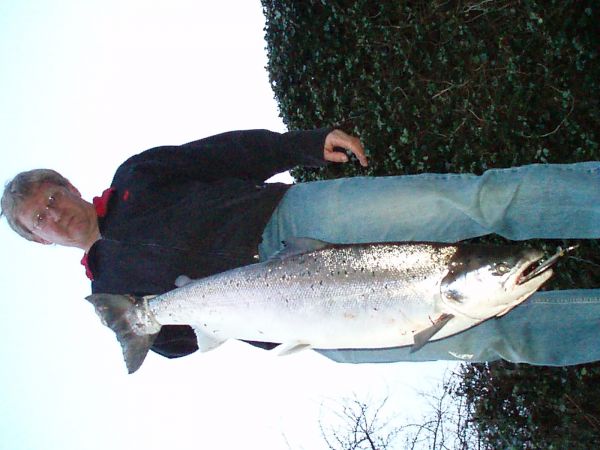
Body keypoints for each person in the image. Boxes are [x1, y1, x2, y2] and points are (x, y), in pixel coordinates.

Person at [2, 127, 599, 366]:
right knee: (493, 335)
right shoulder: (110, 289)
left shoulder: (139, 176)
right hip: (310, 323)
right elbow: (178, 345)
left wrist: (305, 145)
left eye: (52, 196)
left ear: (68, 186)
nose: (54, 213)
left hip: (301, 220)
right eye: (38, 218)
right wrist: (148, 325)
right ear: (37, 239)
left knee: (471, 202)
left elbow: (227, 154)